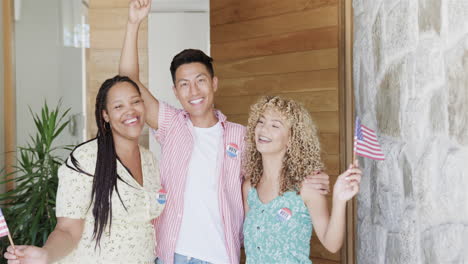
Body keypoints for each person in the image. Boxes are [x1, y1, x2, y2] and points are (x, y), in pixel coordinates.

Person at [120, 1, 331, 263]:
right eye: (184, 85)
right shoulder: (171, 125)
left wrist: (311, 178)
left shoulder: (241, 136)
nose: (193, 91)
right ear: (175, 92)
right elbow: (128, 86)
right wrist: (133, 24)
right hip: (171, 254)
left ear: (214, 83)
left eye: (200, 81)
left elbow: (277, 164)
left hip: (221, 256)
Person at [4, 76, 165, 264]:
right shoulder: (86, 159)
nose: (130, 111)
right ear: (105, 115)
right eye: (118, 106)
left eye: (135, 102)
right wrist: (47, 254)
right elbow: (68, 230)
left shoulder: (151, 161)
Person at [242, 96, 363, 263]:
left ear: (291, 139)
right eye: (261, 122)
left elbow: (332, 244)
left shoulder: (307, 188)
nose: (263, 129)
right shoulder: (249, 188)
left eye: (275, 125)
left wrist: (339, 200)